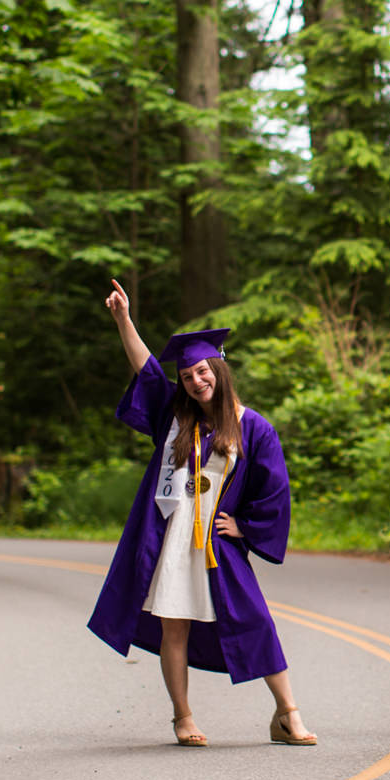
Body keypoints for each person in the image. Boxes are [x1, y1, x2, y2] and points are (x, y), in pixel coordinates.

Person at [86, 279, 315, 748]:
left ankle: (287, 713)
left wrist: (245, 528)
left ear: (219, 368)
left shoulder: (254, 427)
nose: (195, 381)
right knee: (175, 626)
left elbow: (274, 490)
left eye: (202, 372)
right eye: (188, 376)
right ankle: (183, 717)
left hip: (217, 543)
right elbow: (147, 370)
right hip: (172, 538)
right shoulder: (174, 416)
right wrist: (123, 320)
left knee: (255, 619)